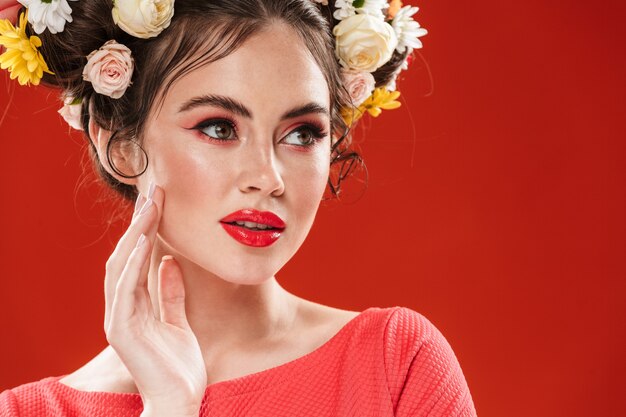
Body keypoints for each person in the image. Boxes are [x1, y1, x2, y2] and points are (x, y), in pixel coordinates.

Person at [0, 0, 477, 416]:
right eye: (219, 128)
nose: (268, 179)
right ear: (120, 146)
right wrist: (169, 410)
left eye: (302, 134)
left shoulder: (395, 362)